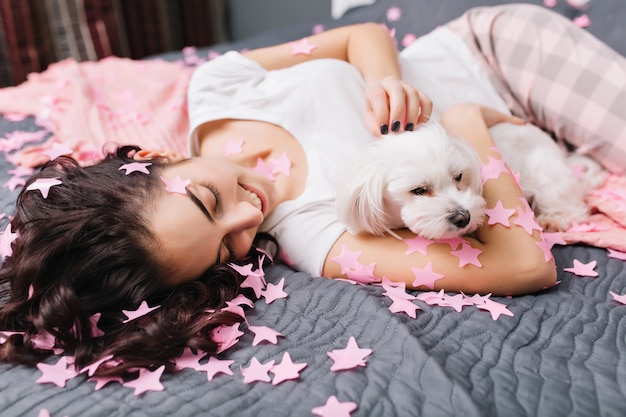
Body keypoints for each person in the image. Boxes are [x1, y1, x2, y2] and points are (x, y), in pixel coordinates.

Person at [0, 3, 624, 376]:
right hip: (506, 128)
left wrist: (385, 79)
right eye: (226, 249)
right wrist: (465, 127)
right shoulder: (315, 235)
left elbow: (361, 35)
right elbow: (525, 266)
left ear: (161, 160)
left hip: (492, 52)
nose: (249, 215)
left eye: (208, 201)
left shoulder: (219, 87)